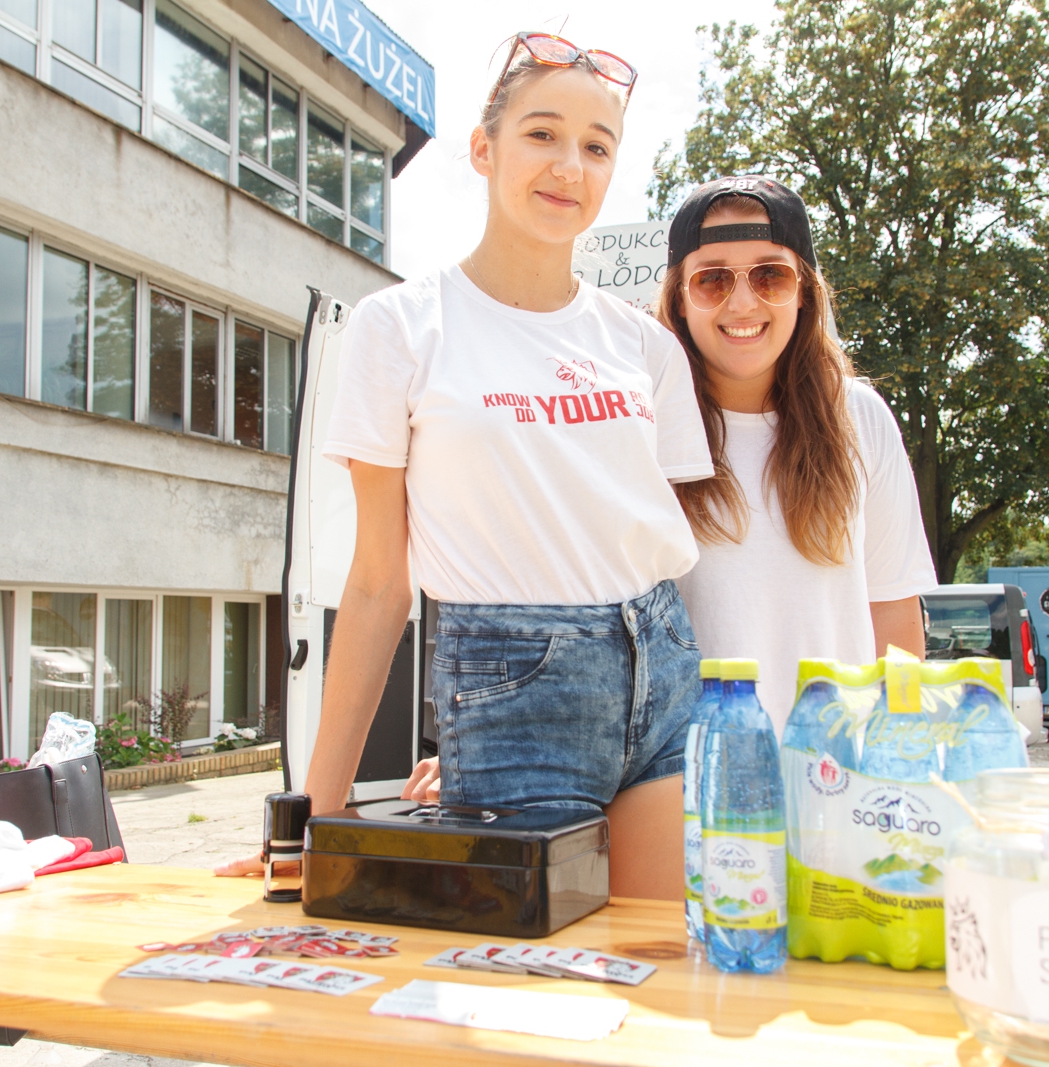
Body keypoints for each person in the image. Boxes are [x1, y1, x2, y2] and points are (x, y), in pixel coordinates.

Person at [218, 33, 713, 899]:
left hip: (663, 670)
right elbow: (377, 584)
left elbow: (656, 542)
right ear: (483, 150)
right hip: (510, 683)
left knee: (657, 967)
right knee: (524, 997)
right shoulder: (399, 327)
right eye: (542, 134)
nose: (570, 165)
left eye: (597, 147)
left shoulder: (648, 347)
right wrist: (315, 823)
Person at [657, 176, 939, 728]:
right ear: (680, 300)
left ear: (805, 288)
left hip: (838, 781)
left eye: (770, 275)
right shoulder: (643, 429)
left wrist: (903, 758)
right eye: (712, 280)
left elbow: (895, 619)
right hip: (689, 789)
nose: (742, 302)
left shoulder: (861, 420)